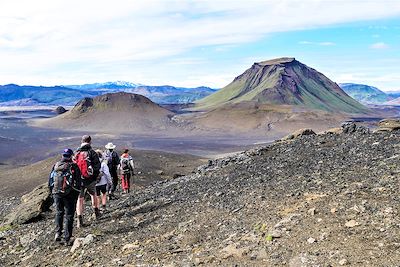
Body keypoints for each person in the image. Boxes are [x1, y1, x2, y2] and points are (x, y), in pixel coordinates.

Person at [49, 148, 81, 246]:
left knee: (59, 212)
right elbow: (78, 182)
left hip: (57, 193)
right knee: (69, 216)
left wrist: (53, 192)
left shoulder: (56, 165)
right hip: (70, 194)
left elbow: (50, 180)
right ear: (71, 156)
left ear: (62, 155)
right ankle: (67, 238)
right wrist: (77, 193)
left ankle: (58, 233)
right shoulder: (74, 166)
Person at [75, 135, 101, 228]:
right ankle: (97, 213)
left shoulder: (77, 153)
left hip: (79, 181)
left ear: (81, 141)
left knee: (80, 199)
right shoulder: (92, 152)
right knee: (93, 195)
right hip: (90, 180)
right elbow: (97, 167)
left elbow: (73, 167)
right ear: (90, 142)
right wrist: (94, 177)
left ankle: (79, 220)